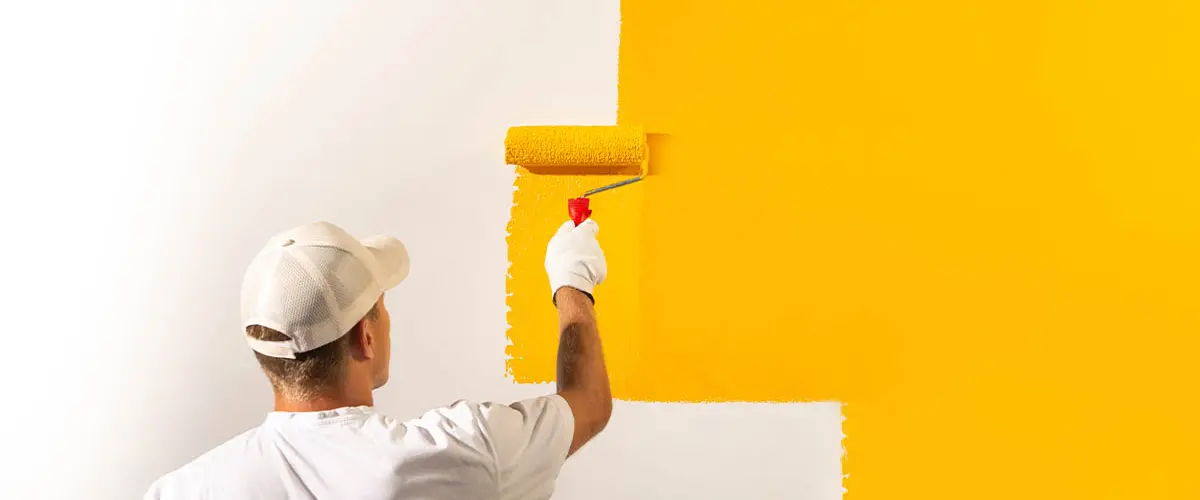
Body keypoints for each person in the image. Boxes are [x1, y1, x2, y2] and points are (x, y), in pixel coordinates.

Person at [145, 219, 611, 499]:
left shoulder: (182, 491)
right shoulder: (458, 453)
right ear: (366, 337)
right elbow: (588, 403)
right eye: (381, 307)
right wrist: (572, 281)